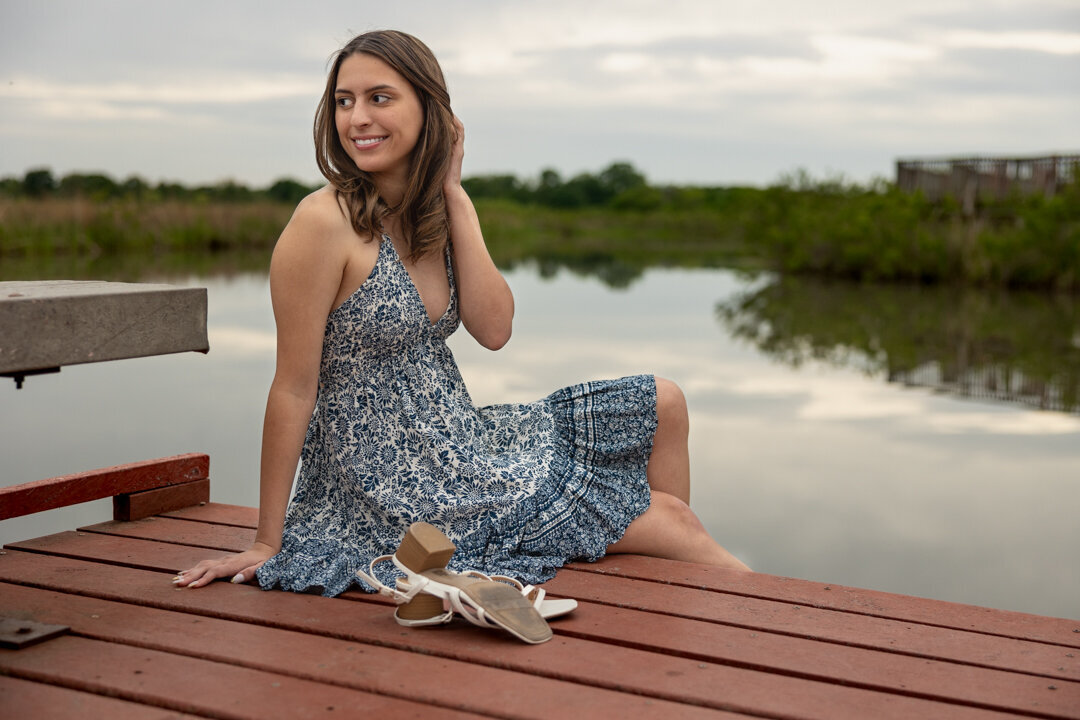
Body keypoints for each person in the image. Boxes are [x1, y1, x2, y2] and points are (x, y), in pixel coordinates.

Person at [175, 30, 748, 596]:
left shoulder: (434, 215)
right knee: (674, 522)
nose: (357, 119)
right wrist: (265, 542)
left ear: (431, 110)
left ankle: (668, 594)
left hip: (459, 439)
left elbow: (494, 330)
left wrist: (454, 193)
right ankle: (750, 617)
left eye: (380, 97)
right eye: (344, 102)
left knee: (664, 402)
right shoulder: (324, 222)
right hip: (393, 481)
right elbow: (293, 388)